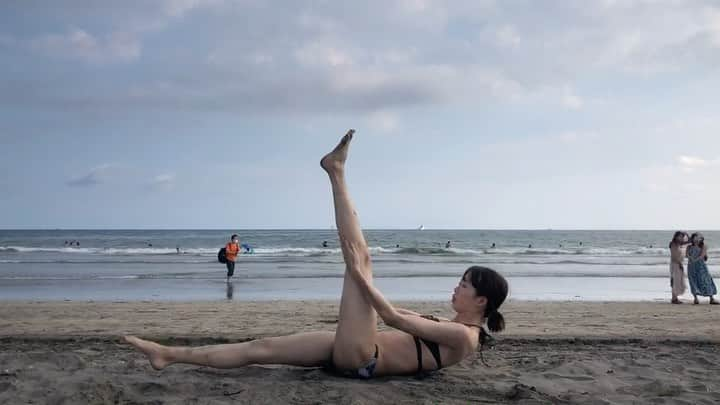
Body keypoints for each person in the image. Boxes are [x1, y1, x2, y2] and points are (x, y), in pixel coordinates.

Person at [124, 130, 508, 378]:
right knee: (262, 349)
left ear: (481, 300)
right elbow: (400, 317)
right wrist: (363, 297)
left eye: (463, 284)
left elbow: (391, 316)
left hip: (362, 357)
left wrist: (358, 279)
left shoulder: (464, 337)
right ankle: (168, 354)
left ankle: (336, 172)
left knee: (362, 260)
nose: (455, 287)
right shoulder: (451, 324)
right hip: (350, 345)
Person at [686, 233, 718, 305]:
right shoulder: (689, 247)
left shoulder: (703, 246)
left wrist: (694, 260)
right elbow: (686, 254)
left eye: (699, 237)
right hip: (691, 266)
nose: (697, 239)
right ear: (693, 238)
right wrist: (690, 258)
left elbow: (702, 255)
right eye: (696, 237)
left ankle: (711, 298)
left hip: (701, 266)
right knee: (693, 281)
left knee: (706, 280)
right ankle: (695, 299)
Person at [669, 231, 689, 304]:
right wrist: (679, 263)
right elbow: (674, 256)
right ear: (676, 236)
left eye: (682, 236)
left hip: (678, 263)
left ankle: (674, 298)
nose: (681, 237)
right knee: (675, 281)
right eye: (679, 236)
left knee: (677, 281)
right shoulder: (673, 244)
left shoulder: (679, 244)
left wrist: (686, 234)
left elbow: (688, 241)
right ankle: (674, 298)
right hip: (675, 264)